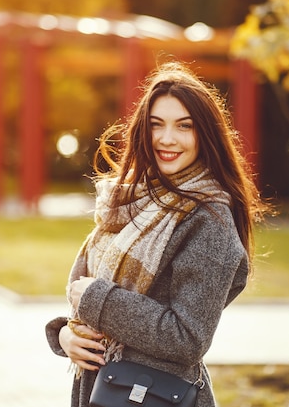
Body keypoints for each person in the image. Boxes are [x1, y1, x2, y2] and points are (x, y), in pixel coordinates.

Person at [45, 61, 268, 407]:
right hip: (103, 390)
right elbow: (84, 296)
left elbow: (187, 337)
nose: (167, 138)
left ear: (204, 135)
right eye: (156, 125)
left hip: (153, 395)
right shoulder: (130, 202)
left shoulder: (209, 221)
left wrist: (100, 301)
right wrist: (65, 334)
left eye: (184, 126)